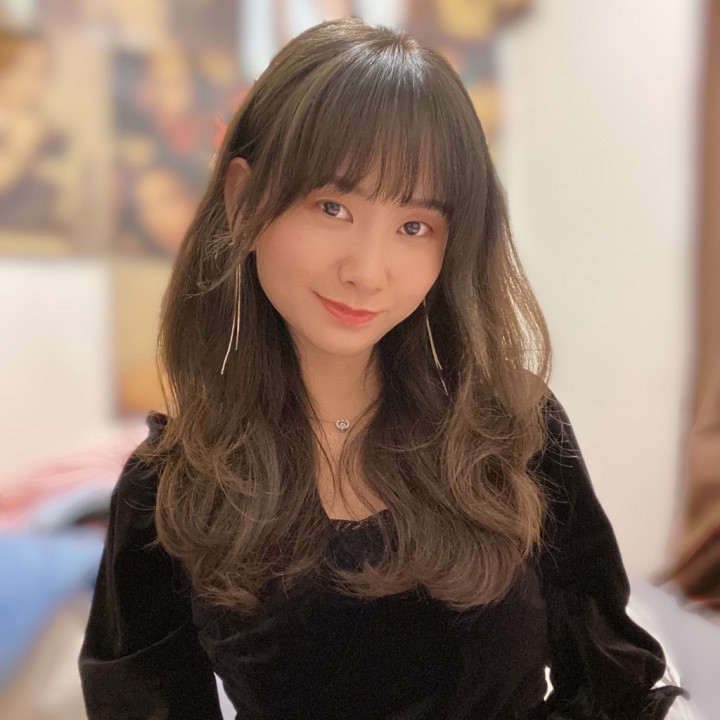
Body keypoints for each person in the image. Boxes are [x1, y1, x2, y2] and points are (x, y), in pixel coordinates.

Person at [79, 18, 688, 720]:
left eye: (414, 226)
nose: (367, 272)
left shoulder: (514, 431)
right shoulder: (170, 489)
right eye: (332, 206)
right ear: (243, 199)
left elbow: (613, 687)